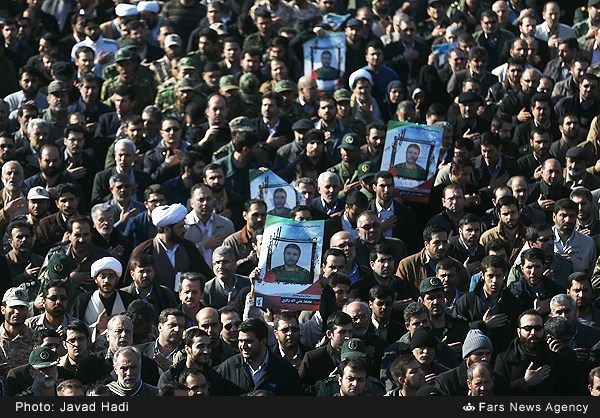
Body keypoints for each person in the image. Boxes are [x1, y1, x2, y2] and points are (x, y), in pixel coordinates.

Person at [129, 203, 213, 291]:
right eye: (180, 227)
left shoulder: (189, 248)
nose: (184, 230)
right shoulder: (143, 250)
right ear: (167, 230)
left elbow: (205, 278)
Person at [493, 309, 579, 395]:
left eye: (538, 328)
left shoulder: (559, 361)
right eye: (527, 328)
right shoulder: (504, 360)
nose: (533, 333)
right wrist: (525, 382)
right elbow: (497, 393)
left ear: (543, 331)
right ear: (519, 332)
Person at [215, 318, 305, 395]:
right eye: (240, 341)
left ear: (263, 341)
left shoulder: (284, 369)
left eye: (248, 341)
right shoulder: (227, 368)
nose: (243, 346)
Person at [69, 257, 135, 339]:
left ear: (117, 279)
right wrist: (97, 327)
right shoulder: (83, 300)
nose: (106, 281)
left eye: (111, 277)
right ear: (95, 279)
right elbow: (73, 330)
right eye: (103, 277)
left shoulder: (127, 299)